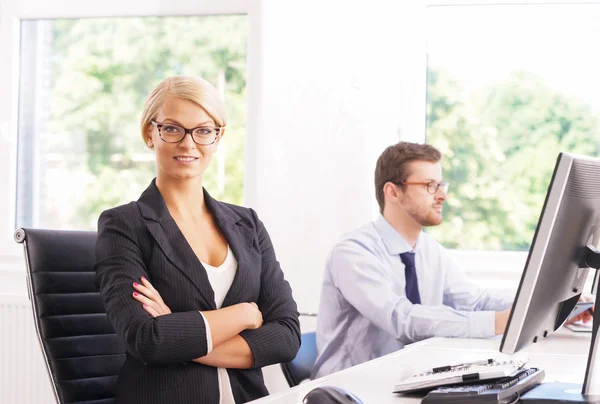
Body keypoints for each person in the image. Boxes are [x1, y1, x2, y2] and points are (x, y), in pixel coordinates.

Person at [95, 76, 300, 404]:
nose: (189, 144)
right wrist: (244, 315)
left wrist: (178, 334)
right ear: (150, 133)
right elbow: (147, 339)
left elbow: (287, 337)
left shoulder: (247, 224)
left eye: (204, 131)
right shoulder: (123, 225)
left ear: (218, 138)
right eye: (173, 128)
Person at [311, 142, 511, 378]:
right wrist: (494, 323)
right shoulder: (353, 252)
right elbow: (401, 319)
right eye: (430, 186)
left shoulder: (430, 250)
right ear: (393, 192)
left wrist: (537, 304)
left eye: (441, 185)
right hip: (350, 388)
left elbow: (475, 301)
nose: (442, 196)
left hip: (409, 379)